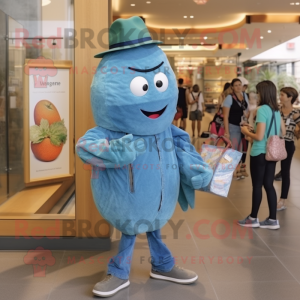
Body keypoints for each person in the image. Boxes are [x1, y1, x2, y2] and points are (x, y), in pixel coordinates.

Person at [76, 16, 213, 297]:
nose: (152, 96)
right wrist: (115, 152)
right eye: (142, 87)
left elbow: (183, 150)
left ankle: (162, 264)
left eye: (160, 83)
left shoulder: (168, 130)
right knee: (131, 229)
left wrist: (196, 170)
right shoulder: (110, 131)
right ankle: (118, 271)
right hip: (128, 199)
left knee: (153, 227)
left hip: (160, 200)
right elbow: (85, 147)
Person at [238, 80, 286, 230]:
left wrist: (245, 130)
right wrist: (257, 129)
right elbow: (279, 132)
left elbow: (258, 137)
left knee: (257, 185)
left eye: (258, 92)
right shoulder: (276, 110)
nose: (257, 95)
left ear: (263, 93)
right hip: (272, 152)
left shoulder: (262, 110)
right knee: (269, 185)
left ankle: (253, 218)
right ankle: (272, 220)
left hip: (259, 151)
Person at [276, 87, 300, 211]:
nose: (280, 97)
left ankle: (282, 200)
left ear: (290, 97)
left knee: (285, 172)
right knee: (268, 171)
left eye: (282, 95)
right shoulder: (276, 111)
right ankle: (272, 196)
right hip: (274, 143)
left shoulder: (295, 113)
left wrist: (296, 133)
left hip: (288, 144)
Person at [222, 78, 250, 179]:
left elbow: (247, 111)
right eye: (236, 85)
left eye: (240, 85)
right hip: (233, 127)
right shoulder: (229, 98)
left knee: (244, 149)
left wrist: (246, 115)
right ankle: (232, 171)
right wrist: (226, 131)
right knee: (234, 150)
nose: (238, 87)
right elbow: (225, 116)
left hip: (244, 127)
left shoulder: (245, 96)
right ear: (232, 87)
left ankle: (240, 170)